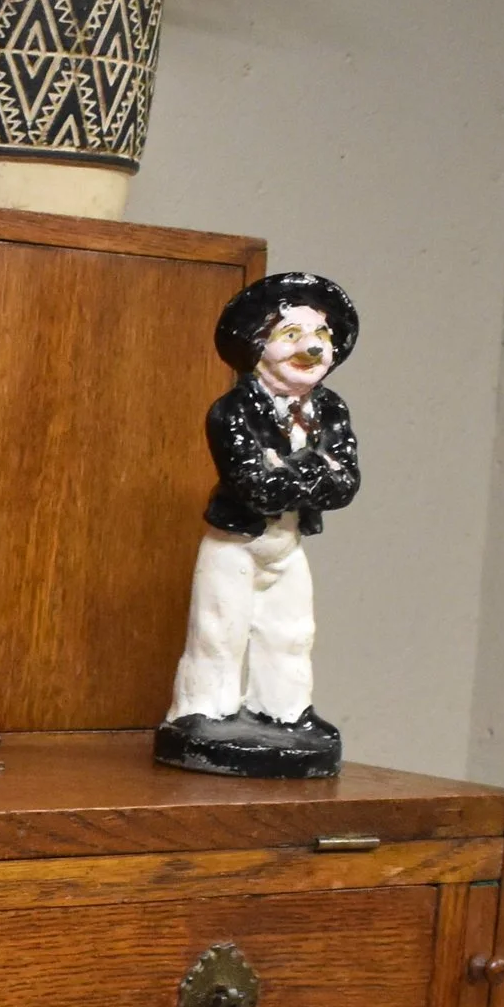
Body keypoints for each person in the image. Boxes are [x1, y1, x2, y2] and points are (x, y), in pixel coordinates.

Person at [154, 271, 362, 777]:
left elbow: (346, 485)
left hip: (287, 542)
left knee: (292, 632)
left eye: (322, 338)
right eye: (292, 336)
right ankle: (204, 712)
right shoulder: (232, 411)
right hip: (237, 542)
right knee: (218, 632)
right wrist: (312, 469)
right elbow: (255, 485)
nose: (311, 349)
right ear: (258, 345)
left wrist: (287, 468)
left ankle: (285, 711)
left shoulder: (329, 409)